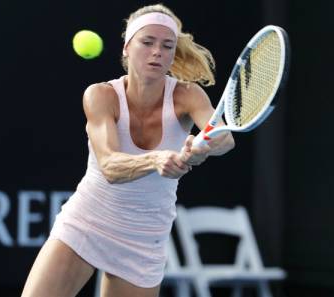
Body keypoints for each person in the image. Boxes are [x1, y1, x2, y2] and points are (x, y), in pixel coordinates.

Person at [21, 3, 234, 297]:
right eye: (147, 42)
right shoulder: (101, 95)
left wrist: (203, 148)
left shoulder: (188, 96)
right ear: (126, 48)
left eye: (167, 45)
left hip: (145, 236)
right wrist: (156, 159)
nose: (157, 51)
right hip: (88, 220)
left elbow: (224, 137)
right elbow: (109, 166)